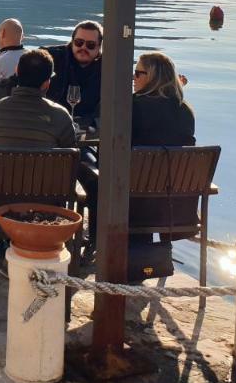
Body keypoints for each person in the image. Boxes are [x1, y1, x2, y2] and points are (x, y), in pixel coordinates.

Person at [79, 51, 196, 268]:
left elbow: (109, 146)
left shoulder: (131, 106)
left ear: (153, 77)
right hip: (170, 202)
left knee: (87, 167)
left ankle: (95, 240)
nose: (133, 78)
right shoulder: (185, 110)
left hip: (130, 198)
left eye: (138, 73)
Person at [0, 49, 76, 149]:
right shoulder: (61, 116)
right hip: (43, 164)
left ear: (17, 71)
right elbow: (69, 152)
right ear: (46, 84)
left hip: (0, 164)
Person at [45, 20, 104, 126]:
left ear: (99, 47)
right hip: (51, 123)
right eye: (79, 42)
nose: (83, 48)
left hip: (89, 128)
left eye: (90, 45)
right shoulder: (52, 58)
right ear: (72, 42)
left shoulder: (107, 68)